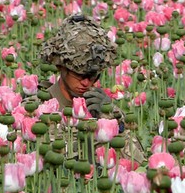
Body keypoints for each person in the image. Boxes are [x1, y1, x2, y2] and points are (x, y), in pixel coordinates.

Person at [34, 14, 145, 164]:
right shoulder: (37, 108)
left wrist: (108, 118)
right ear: (60, 66)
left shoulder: (105, 109)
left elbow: (137, 163)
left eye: (92, 76)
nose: (86, 83)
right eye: (79, 75)